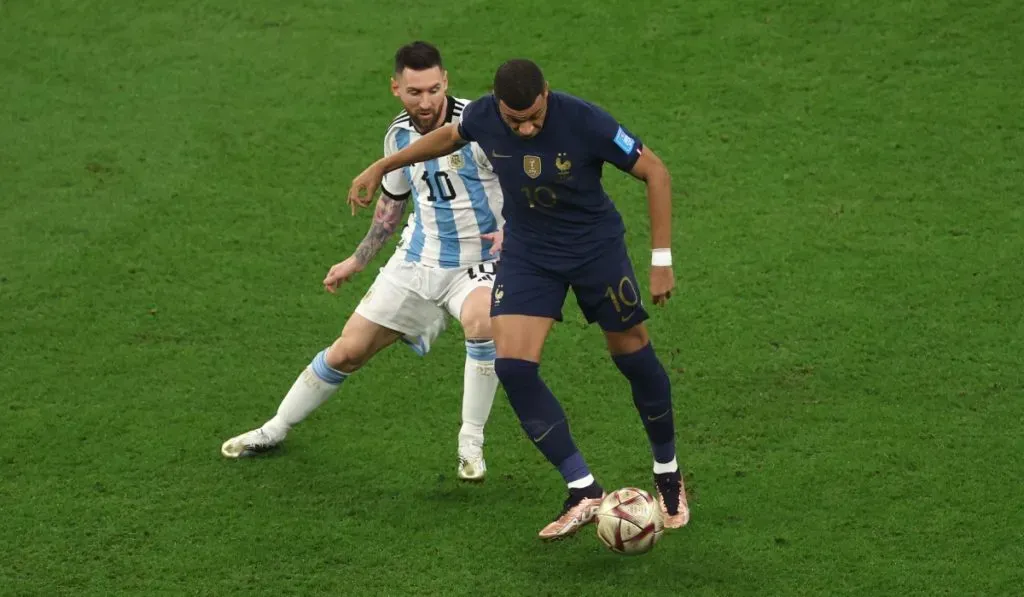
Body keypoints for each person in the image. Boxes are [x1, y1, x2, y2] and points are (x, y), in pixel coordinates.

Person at [347, 58, 690, 539]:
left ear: (546, 94)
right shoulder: (485, 114)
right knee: (513, 367)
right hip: (531, 254)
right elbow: (450, 136)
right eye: (514, 121)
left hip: (595, 251)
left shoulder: (585, 119)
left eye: (533, 117)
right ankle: (583, 489)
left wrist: (660, 258)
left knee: (632, 356)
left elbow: (655, 170)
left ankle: (668, 473)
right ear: (498, 108)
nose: (525, 128)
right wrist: (384, 164)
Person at [221, 42, 505, 482]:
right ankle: (274, 429)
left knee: (483, 323)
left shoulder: (481, 126)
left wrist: (515, 234)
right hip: (419, 260)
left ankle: (471, 443)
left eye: (433, 89)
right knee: (347, 351)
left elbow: (528, 185)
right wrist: (357, 259)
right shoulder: (397, 135)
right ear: (396, 88)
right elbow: (393, 205)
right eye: (414, 92)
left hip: (480, 262)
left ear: (446, 81)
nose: (426, 101)